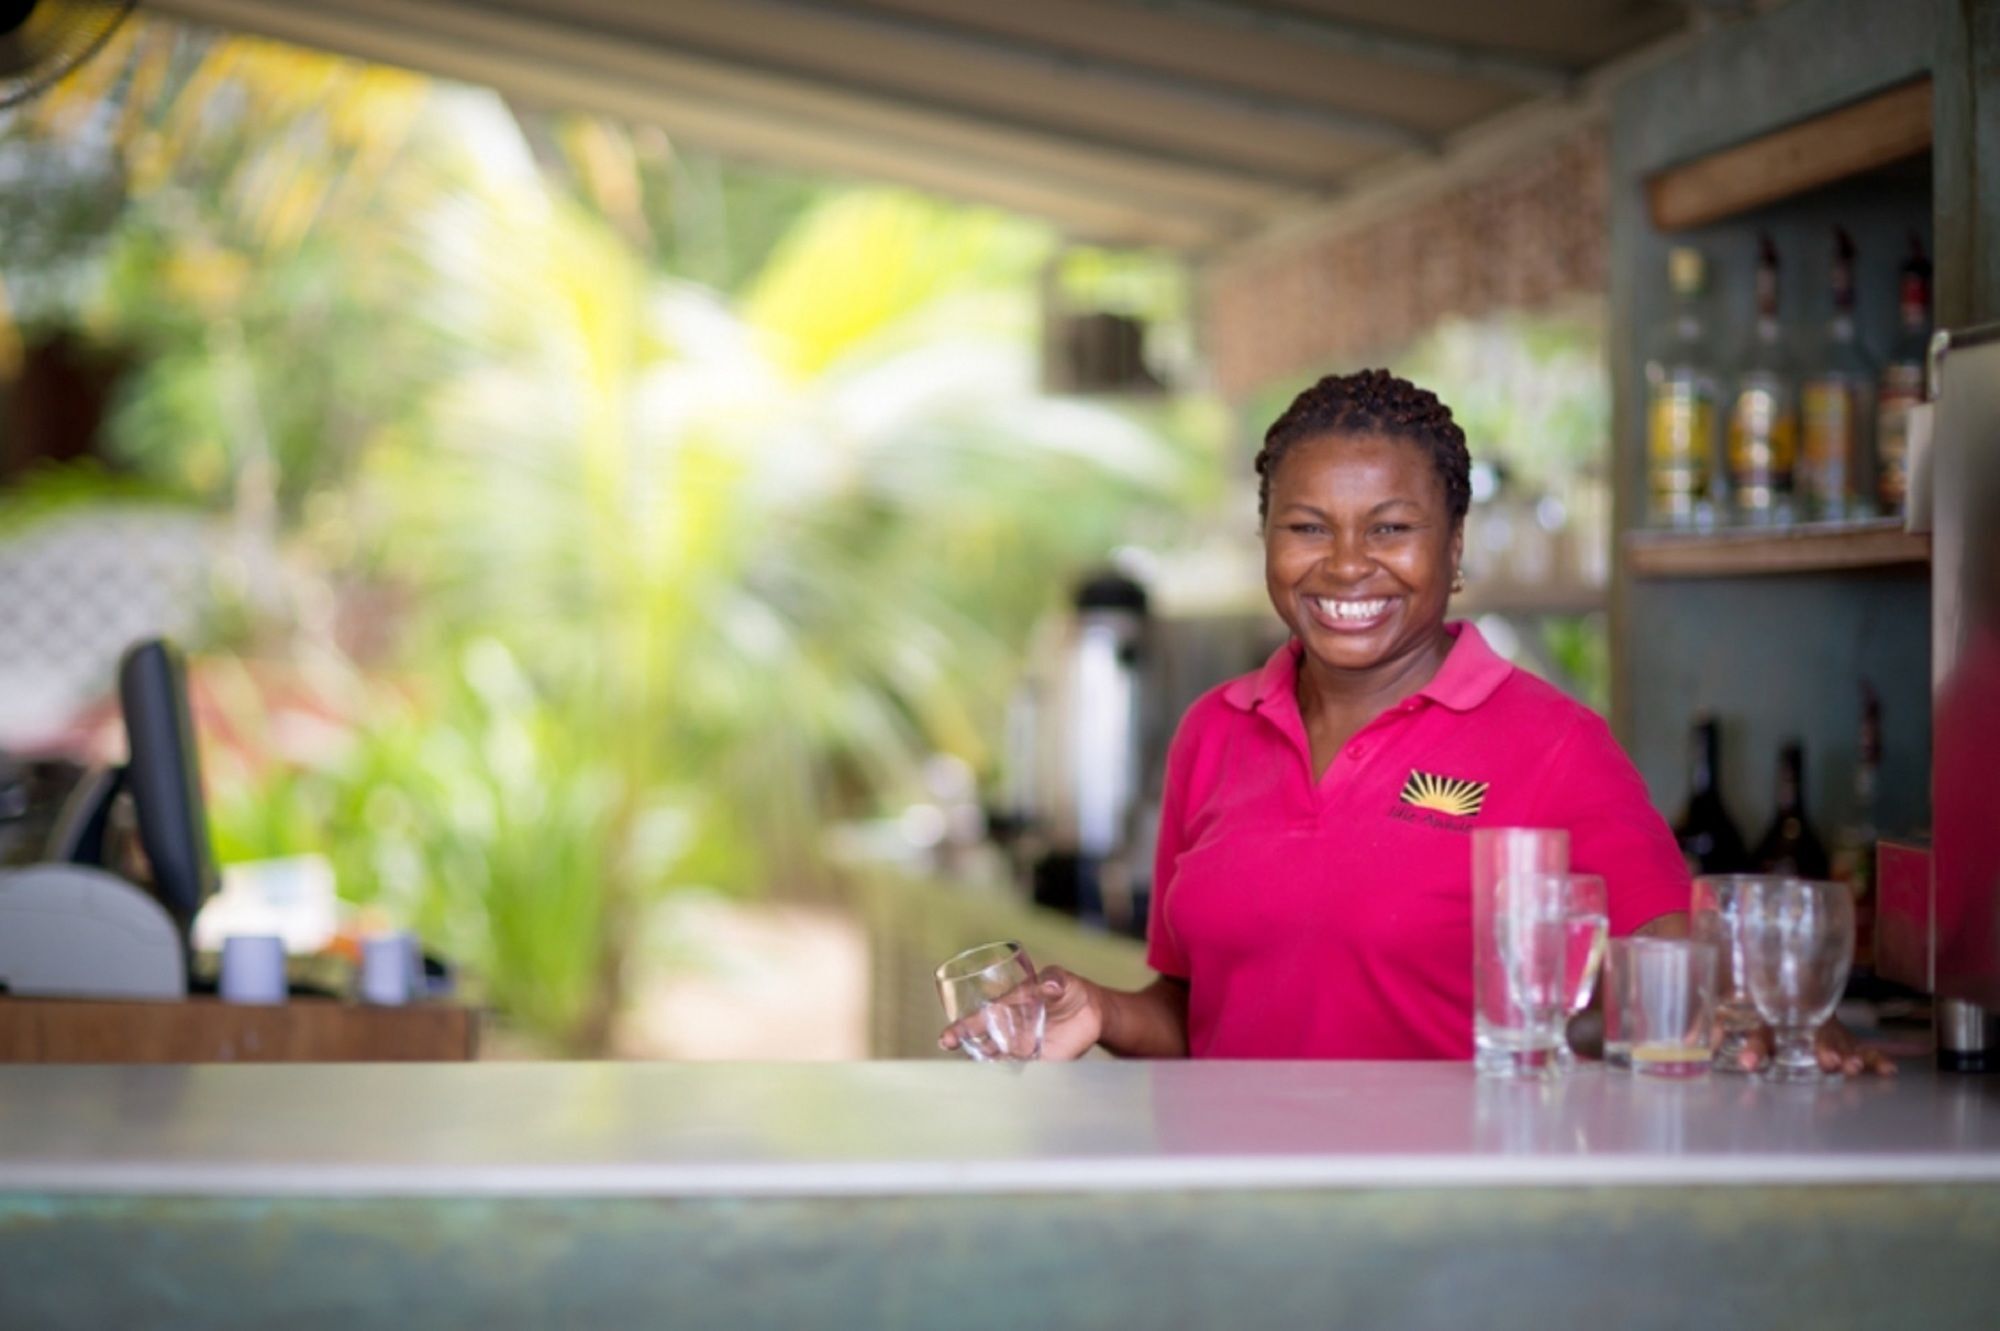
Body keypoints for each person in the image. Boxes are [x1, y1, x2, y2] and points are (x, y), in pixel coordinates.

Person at [944, 368, 1891, 1074]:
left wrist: (1753, 1012)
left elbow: (1682, 971)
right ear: (1267, 538)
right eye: (1307, 525)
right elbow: (1203, 1013)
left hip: (1459, 1218)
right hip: (1237, 1210)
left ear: (1455, 546)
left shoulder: (1551, 743)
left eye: (1391, 528)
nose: (1346, 564)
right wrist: (1103, 1011)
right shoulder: (1215, 731)